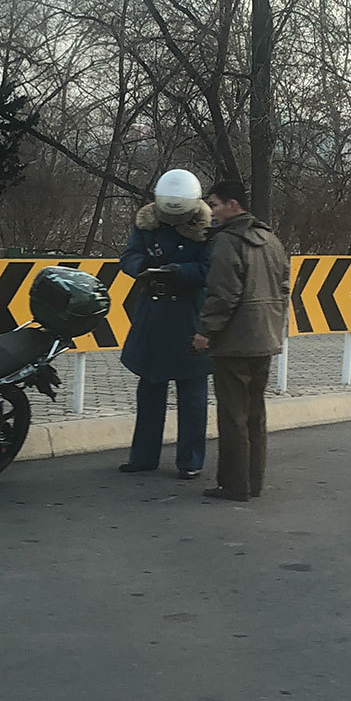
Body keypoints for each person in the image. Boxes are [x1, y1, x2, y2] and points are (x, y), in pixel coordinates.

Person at [192, 179, 289, 502]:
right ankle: (253, 481)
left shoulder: (228, 242)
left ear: (233, 205)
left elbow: (223, 294)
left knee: (233, 416)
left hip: (235, 341)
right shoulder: (270, 239)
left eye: (216, 204)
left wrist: (206, 332)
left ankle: (234, 484)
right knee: (255, 413)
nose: (212, 212)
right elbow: (284, 286)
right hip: (265, 338)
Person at [117, 168, 214, 480]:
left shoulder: (207, 230)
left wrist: (180, 272)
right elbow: (128, 256)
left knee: (193, 397)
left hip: (189, 316)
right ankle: (143, 456)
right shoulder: (146, 225)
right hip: (153, 315)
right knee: (150, 390)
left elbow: (212, 269)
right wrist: (144, 268)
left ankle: (191, 460)